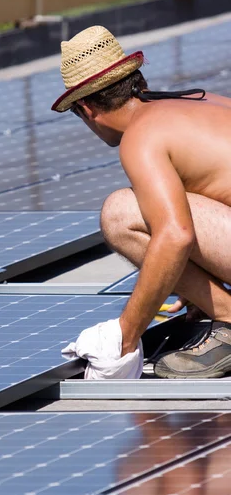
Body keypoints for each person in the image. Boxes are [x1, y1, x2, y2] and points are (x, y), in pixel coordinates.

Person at [51, 25, 231, 379]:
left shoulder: (142, 136)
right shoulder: (203, 99)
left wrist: (126, 334)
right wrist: (191, 284)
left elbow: (176, 234)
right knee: (169, 203)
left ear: (87, 109)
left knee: (122, 211)